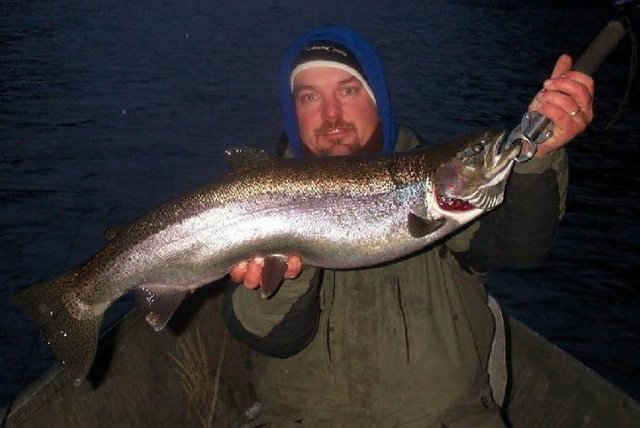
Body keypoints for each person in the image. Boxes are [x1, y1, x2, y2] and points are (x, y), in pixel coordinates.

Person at [222, 25, 594, 426]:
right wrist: (284, 282)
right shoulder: (254, 200)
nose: (331, 115)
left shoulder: (440, 189)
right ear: (292, 111)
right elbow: (272, 339)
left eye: (348, 90)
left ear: (377, 99)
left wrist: (537, 156)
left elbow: (519, 246)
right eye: (310, 97)